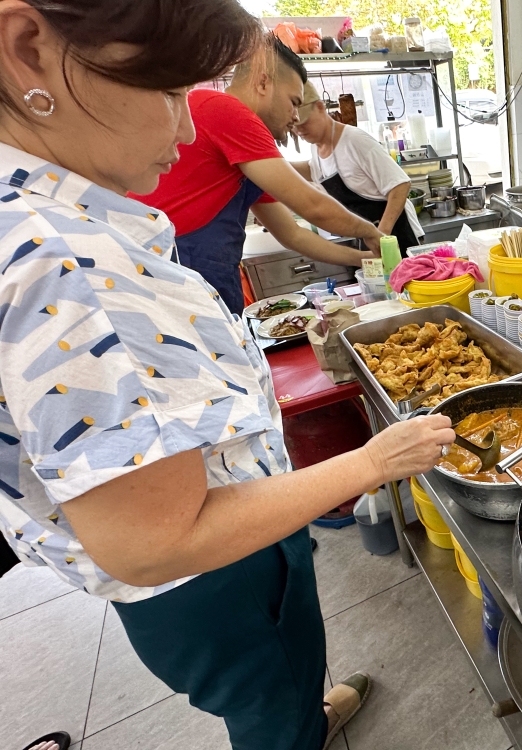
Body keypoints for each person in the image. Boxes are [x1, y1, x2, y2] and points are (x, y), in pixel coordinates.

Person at [0, 4, 455, 750]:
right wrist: (372, 462)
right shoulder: (63, 260)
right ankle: (293, 724)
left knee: (278, 680)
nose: (187, 132)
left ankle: (304, 708)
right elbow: (155, 542)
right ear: (29, 50)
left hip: (199, 559)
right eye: (171, 93)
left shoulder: (36, 217)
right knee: (267, 704)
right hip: (215, 578)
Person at [136, 34, 384, 313]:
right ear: (263, 83)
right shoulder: (225, 109)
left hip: (201, 269)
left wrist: (364, 259)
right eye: (293, 101)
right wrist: (371, 232)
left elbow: (293, 235)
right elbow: (312, 205)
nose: (295, 116)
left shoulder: (246, 157)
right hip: (178, 266)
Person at [292, 82, 424, 254]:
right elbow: (314, 169)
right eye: (293, 125)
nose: (299, 129)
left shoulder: (354, 140)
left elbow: (400, 185)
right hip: (367, 238)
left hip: (396, 235)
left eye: (304, 122)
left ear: (320, 107)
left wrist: (382, 236)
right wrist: (275, 168)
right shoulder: (316, 147)